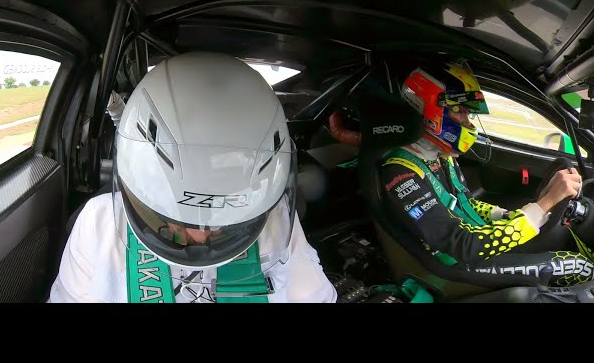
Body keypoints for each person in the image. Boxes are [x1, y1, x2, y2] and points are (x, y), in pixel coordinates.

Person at [48, 52, 337, 303]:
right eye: (174, 219)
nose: (200, 238)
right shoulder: (100, 225)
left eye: (225, 225)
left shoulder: (273, 221)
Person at [376, 59, 593, 287]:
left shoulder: (439, 156)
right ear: (428, 109)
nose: (468, 123)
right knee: (580, 266)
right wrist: (544, 203)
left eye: (468, 114)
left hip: (474, 246)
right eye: (459, 111)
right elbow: (463, 246)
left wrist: (513, 215)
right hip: (455, 265)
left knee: (567, 236)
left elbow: (467, 204)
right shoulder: (401, 174)